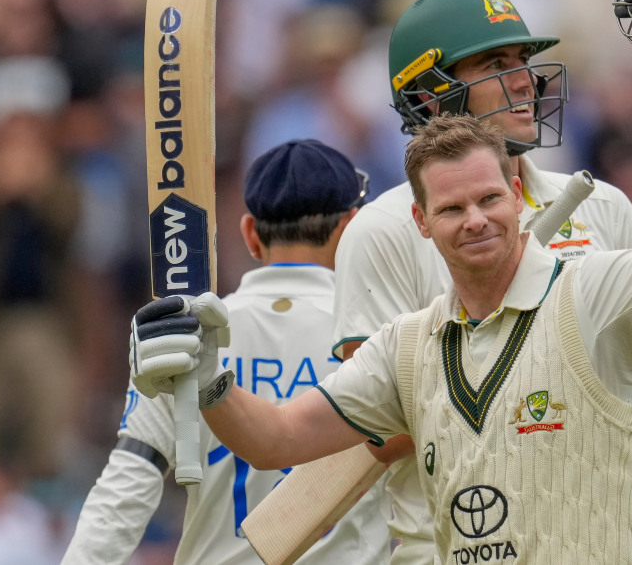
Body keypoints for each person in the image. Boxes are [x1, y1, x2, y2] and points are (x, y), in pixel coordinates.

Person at [130, 97, 632, 561]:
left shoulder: (594, 289)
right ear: (421, 223)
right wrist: (209, 378)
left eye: (487, 199)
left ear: (517, 194)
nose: (475, 219)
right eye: (451, 207)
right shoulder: (409, 346)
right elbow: (277, 440)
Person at [333, 0, 632, 562]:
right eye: (494, 63)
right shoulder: (383, 230)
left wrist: (593, 400)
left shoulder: (599, 205)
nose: (523, 79)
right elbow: (375, 433)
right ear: (431, 96)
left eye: (522, 61)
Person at [62, 140, 390, 564]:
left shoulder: (184, 337)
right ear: (351, 229)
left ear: (251, 234)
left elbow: (129, 481)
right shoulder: (382, 339)